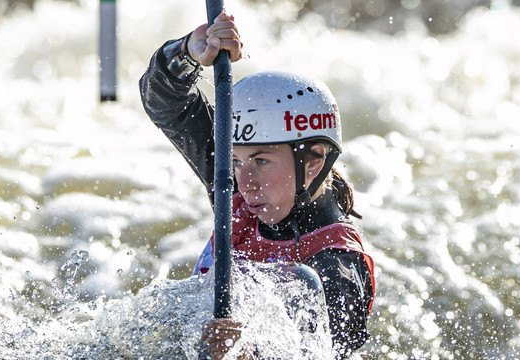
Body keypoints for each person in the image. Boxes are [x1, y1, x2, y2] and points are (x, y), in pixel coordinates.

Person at [139, 11, 375, 360]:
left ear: (314, 162)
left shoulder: (338, 266)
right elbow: (165, 101)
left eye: (262, 161)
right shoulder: (231, 185)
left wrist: (250, 354)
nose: (244, 182)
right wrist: (191, 51)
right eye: (236, 160)